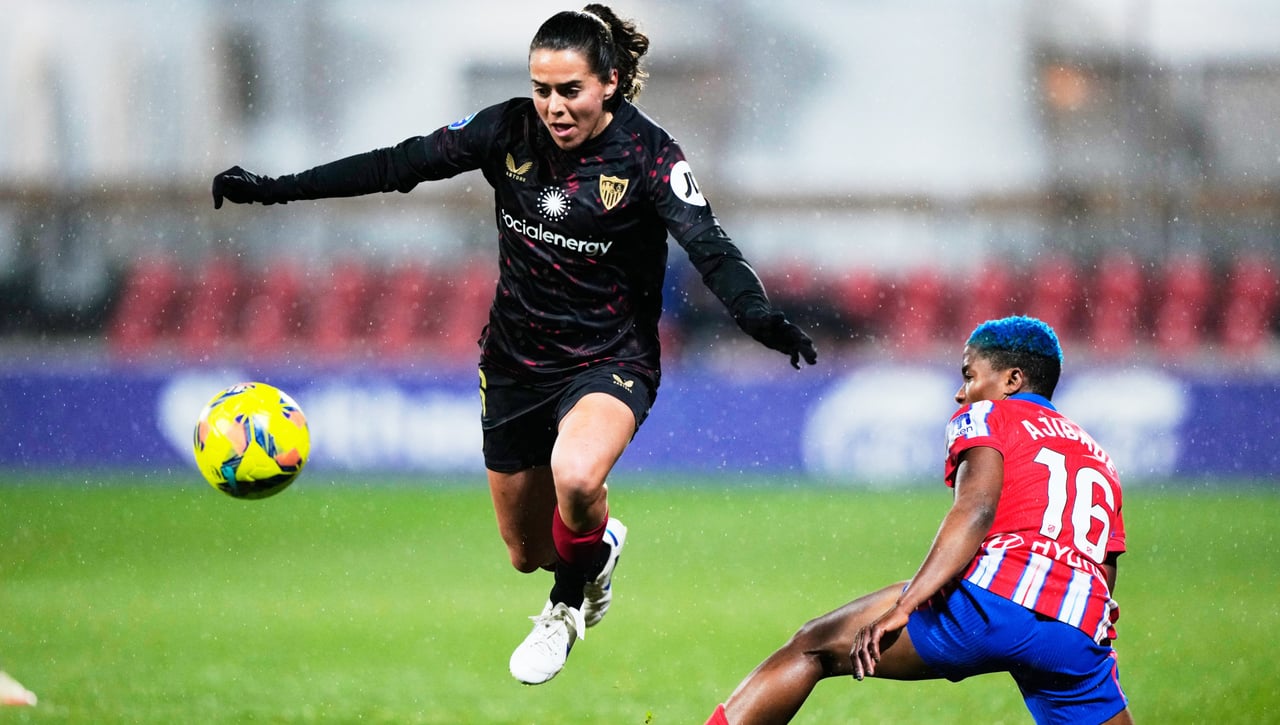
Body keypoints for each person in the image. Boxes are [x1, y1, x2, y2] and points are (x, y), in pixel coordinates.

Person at [211, 4, 816, 686]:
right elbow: (397, 163)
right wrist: (276, 190)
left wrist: (758, 314)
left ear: (610, 83)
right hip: (514, 364)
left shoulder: (650, 154)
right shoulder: (506, 129)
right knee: (527, 550)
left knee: (579, 475)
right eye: (542, 89)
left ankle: (565, 607)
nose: (554, 106)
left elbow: (708, 243)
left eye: (571, 91)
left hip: (610, 358)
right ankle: (595, 549)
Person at [706, 315, 1131, 725]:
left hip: (991, 605)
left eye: (970, 375)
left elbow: (975, 509)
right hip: (1076, 625)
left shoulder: (990, 414)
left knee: (813, 647)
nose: (961, 393)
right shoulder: (1098, 456)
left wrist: (905, 606)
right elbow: (1105, 564)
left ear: (1011, 380)